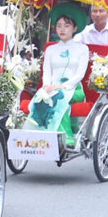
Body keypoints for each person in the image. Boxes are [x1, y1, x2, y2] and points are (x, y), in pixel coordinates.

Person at [26, 14, 89, 147]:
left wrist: (62, 86)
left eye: (67, 26)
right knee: (41, 98)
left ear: (75, 28)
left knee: (58, 97)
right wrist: (47, 86)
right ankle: (35, 136)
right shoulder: (51, 49)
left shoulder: (82, 49)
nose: (62, 29)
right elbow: (47, 72)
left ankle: (67, 136)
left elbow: (79, 75)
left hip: (73, 89)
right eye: (59, 26)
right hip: (52, 87)